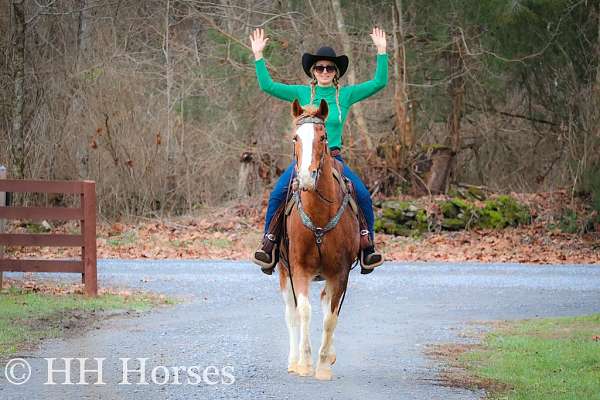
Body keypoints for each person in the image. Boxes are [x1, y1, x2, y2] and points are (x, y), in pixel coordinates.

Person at [249, 27, 388, 274]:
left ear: (336, 73)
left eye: (330, 68)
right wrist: (259, 56)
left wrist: (382, 51)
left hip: (333, 158)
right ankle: (268, 244)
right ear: (313, 71)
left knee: (363, 195)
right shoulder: (302, 93)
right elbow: (267, 85)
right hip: (305, 161)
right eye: (320, 68)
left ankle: (367, 247)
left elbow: (380, 82)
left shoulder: (344, 95)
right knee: (278, 194)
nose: (325, 72)